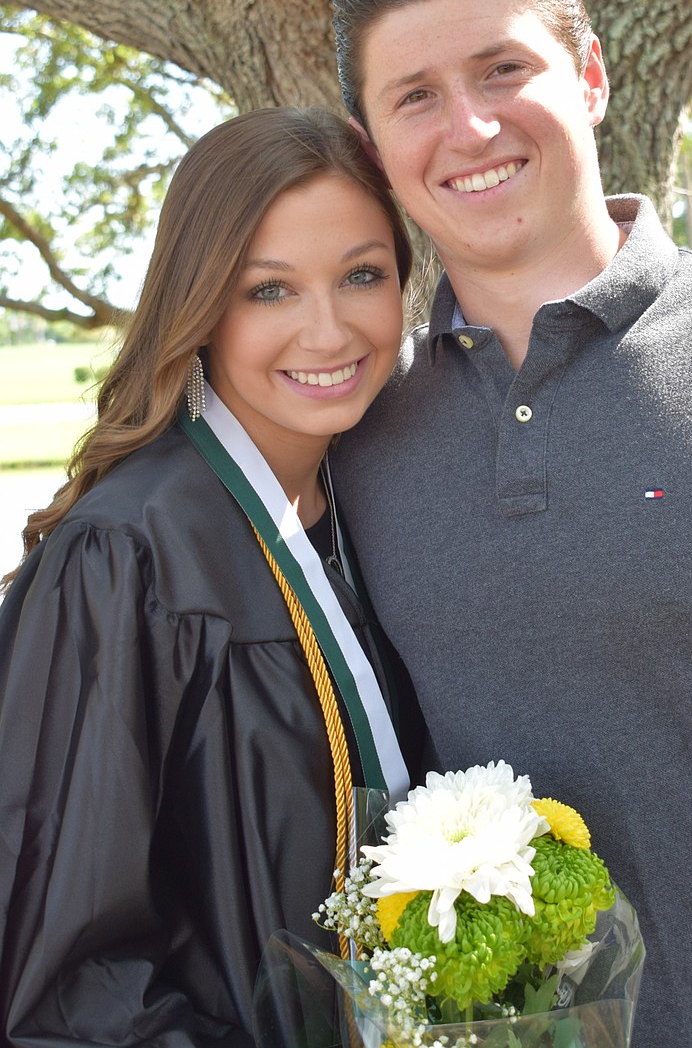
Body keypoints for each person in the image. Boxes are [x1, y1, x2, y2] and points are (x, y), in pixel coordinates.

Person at [328, 0, 692, 1047]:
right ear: (373, 150)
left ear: (593, 77)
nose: (467, 126)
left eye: (502, 69)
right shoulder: (354, 438)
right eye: (413, 95)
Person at [0, 106, 419, 1047]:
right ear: (200, 305)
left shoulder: (373, 513)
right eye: (269, 291)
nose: (329, 330)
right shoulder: (129, 557)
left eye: (363, 275)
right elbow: (60, 981)